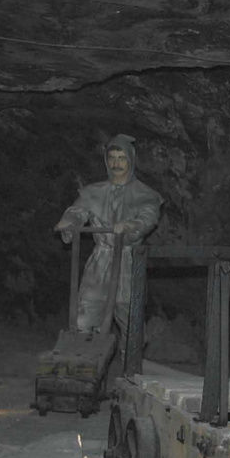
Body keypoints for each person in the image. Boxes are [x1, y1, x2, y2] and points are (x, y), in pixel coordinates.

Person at [54, 134, 161, 336]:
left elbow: (148, 218)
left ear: (130, 160)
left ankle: (129, 362)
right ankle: (85, 357)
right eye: (112, 158)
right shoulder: (94, 192)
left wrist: (130, 226)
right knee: (85, 313)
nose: (116, 164)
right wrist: (69, 222)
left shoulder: (145, 195)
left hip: (128, 263)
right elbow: (79, 210)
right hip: (100, 261)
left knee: (131, 320)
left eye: (122, 158)